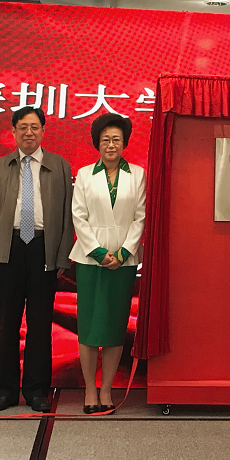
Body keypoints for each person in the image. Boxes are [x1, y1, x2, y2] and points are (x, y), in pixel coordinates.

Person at [0, 106, 74, 413]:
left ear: (43, 131)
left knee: (40, 323)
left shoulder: (59, 166)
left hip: (44, 248)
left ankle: (36, 391)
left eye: (34, 127)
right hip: (9, 247)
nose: (29, 132)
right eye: (23, 127)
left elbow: (68, 214)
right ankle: (4, 391)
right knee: (7, 324)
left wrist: (62, 255)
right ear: (13, 131)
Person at [69, 113, 145, 414]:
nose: (111, 145)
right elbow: (79, 216)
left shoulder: (137, 174)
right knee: (89, 326)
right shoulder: (85, 174)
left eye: (116, 139)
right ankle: (90, 388)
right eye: (105, 140)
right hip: (90, 261)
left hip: (124, 262)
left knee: (115, 325)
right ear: (96, 143)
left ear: (124, 143)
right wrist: (98, 252)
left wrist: (124, 252)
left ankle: (107, 388)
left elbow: (140, 217)